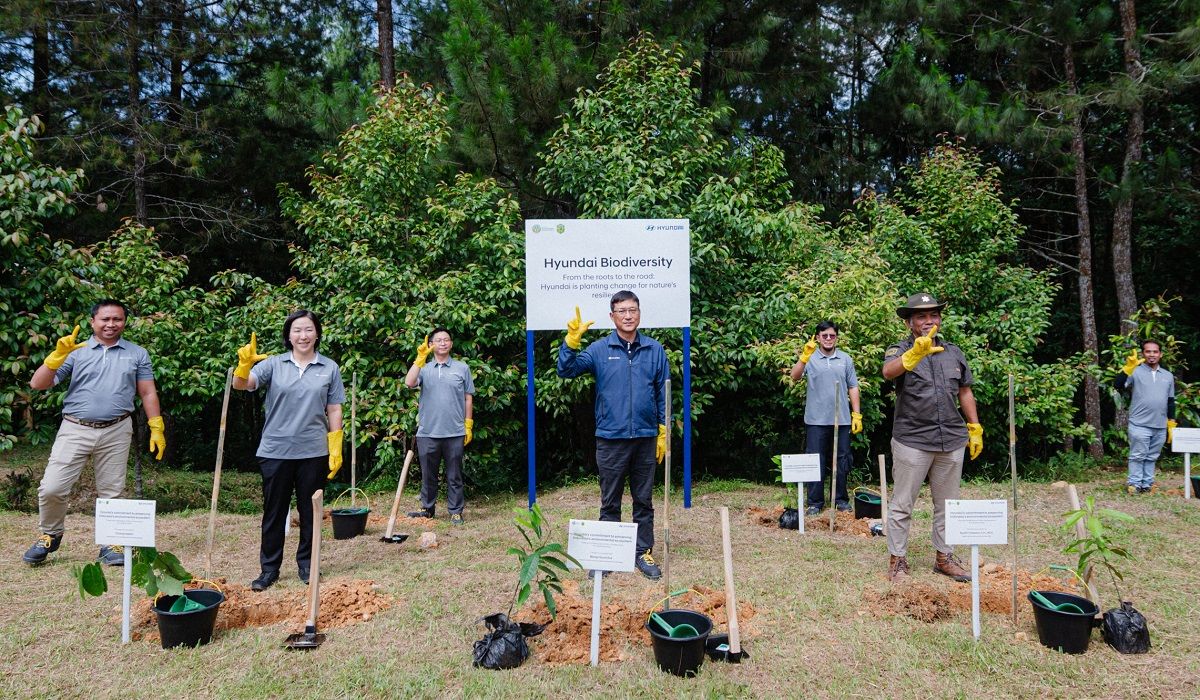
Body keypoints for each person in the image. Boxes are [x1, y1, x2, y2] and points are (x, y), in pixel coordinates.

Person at [23, 300, 166, 566]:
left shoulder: (136, 353)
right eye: (105, 319)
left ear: (124, 322)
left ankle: (110, 544)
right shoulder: (74, 351)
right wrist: (55, 357)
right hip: (75, 427)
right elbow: (38, 384)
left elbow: (147, 391)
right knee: (52, 487)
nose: (111, 324)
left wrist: (156, 425)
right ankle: (50, 534)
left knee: (112, 492)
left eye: (118, 319)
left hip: (117, 428)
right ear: (93, 322)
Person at [557, 291, 668, 580]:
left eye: (633, 310)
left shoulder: (655, 350)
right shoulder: (598, 349)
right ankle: (607, 556)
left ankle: (642, 552)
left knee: (643, 499)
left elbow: (662, 393)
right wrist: (571, 341)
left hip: (645, 437)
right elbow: (565, 370)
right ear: (612, 316)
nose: (628, 316)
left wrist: (663, 429)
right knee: (610, 500)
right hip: (611, 438)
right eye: (622, 311)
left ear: (639, 313)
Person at [232, 310, 345, 591]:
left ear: (317, 334)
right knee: (274, 512)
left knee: (311, 512)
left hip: (314, 451)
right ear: (288, 336)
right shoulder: (273, 365)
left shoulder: (329, 368)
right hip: (275, 450)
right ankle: (269, 569)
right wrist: (243, 366)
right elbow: (242, 385)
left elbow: (334, 408)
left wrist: (336, 444)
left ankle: (308, 565)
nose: (303, 336)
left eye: (308, 330)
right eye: (296, 330)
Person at [881, 293, 982, 583]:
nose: (929, 321)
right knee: (902, 504)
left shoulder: (953, 352)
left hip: (951, 438)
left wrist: (974, 427)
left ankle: (944, 557)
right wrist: (913, 355)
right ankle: (898, 560)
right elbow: (888, 372)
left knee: (948, 504)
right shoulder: (898, 349)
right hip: (912, 440)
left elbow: (965, 391)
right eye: (921, 316)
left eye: (933, 315)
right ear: (909, 322)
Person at [789, 321, 862, 515]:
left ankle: (840, 500)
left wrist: (857, 414)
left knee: (842, 460)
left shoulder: (845, 359)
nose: (828, 339)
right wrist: (803, 358)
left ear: (836, 337)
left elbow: (853, 386)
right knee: (815, 461)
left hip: (842, 420)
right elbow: (794, 377)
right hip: (816, 420)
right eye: (824, 335)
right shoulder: (810, 357)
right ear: (817, 337)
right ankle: (815, 502)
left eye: (832, 335)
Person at [404, 327, 475, 524]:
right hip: (428, 431)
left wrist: (468, 424)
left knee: (454, 475)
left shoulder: (462, 368)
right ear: (431, 345)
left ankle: (455, 511)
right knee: (428, 474)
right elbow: (409, 383)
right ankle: (427, 508)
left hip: (454, 431)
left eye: (446, 340)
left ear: (451, 344)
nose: (443, 343)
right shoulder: (423, 369)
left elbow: (468, 398)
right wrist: (419, 359)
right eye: (438, 340)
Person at [1115, 340, 1176, 494]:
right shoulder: (1135, 371)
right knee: (1137, 455)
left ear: (1160, 354)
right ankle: (1134, 484)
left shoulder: (1168, 376)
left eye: (1155, 352)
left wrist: (1171, 422)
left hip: (1160, 425)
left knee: (1152, 457)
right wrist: (1128, 368)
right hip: (1139, 424)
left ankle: (1147, 484)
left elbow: (1170, 401)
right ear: (1143, 354)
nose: (1151, 355)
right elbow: (1118, 385)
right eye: (1148, 351)